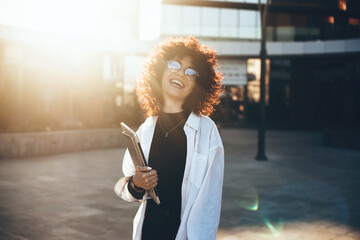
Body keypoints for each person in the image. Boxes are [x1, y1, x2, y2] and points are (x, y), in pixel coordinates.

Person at [114, 36, 224, 240]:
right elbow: (127, 188)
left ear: (197, 84)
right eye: (175, 64)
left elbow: (209, 203)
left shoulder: (207, 130)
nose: (181, 73)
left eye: (191, 72)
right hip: (149, 232)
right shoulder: (145, 130)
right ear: (160, 71)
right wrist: (137, 183)